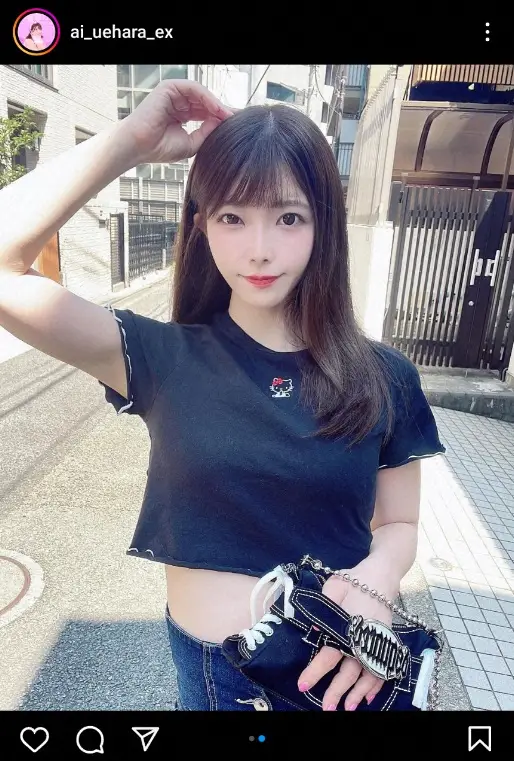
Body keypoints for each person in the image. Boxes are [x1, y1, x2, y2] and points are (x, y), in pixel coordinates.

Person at [0, 78, 446, 712]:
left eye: (289, 218)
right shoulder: (161, 358)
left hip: (345, 670)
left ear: (323, 226)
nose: (259, 250)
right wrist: (130, 141)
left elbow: (399, 523)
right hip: (218, 687)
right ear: (201, 225)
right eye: (232, 217)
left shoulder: (386, 376)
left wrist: (378, 578)